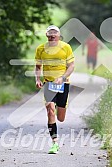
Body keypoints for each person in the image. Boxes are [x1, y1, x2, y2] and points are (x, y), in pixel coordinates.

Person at [35, 25, 75, 154]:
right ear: (46, 35)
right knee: (50, 109)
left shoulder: (66, 47)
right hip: (48, 83)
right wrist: (37, 79)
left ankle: (61, 107)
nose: (52, 36)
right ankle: (55, 142)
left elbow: (71, 66)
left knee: (61, 117)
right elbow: (37, 66)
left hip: (63, 84)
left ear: (59, 35)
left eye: (55, 33)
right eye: (50, 34)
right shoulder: (40, 49)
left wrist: (63, 77)